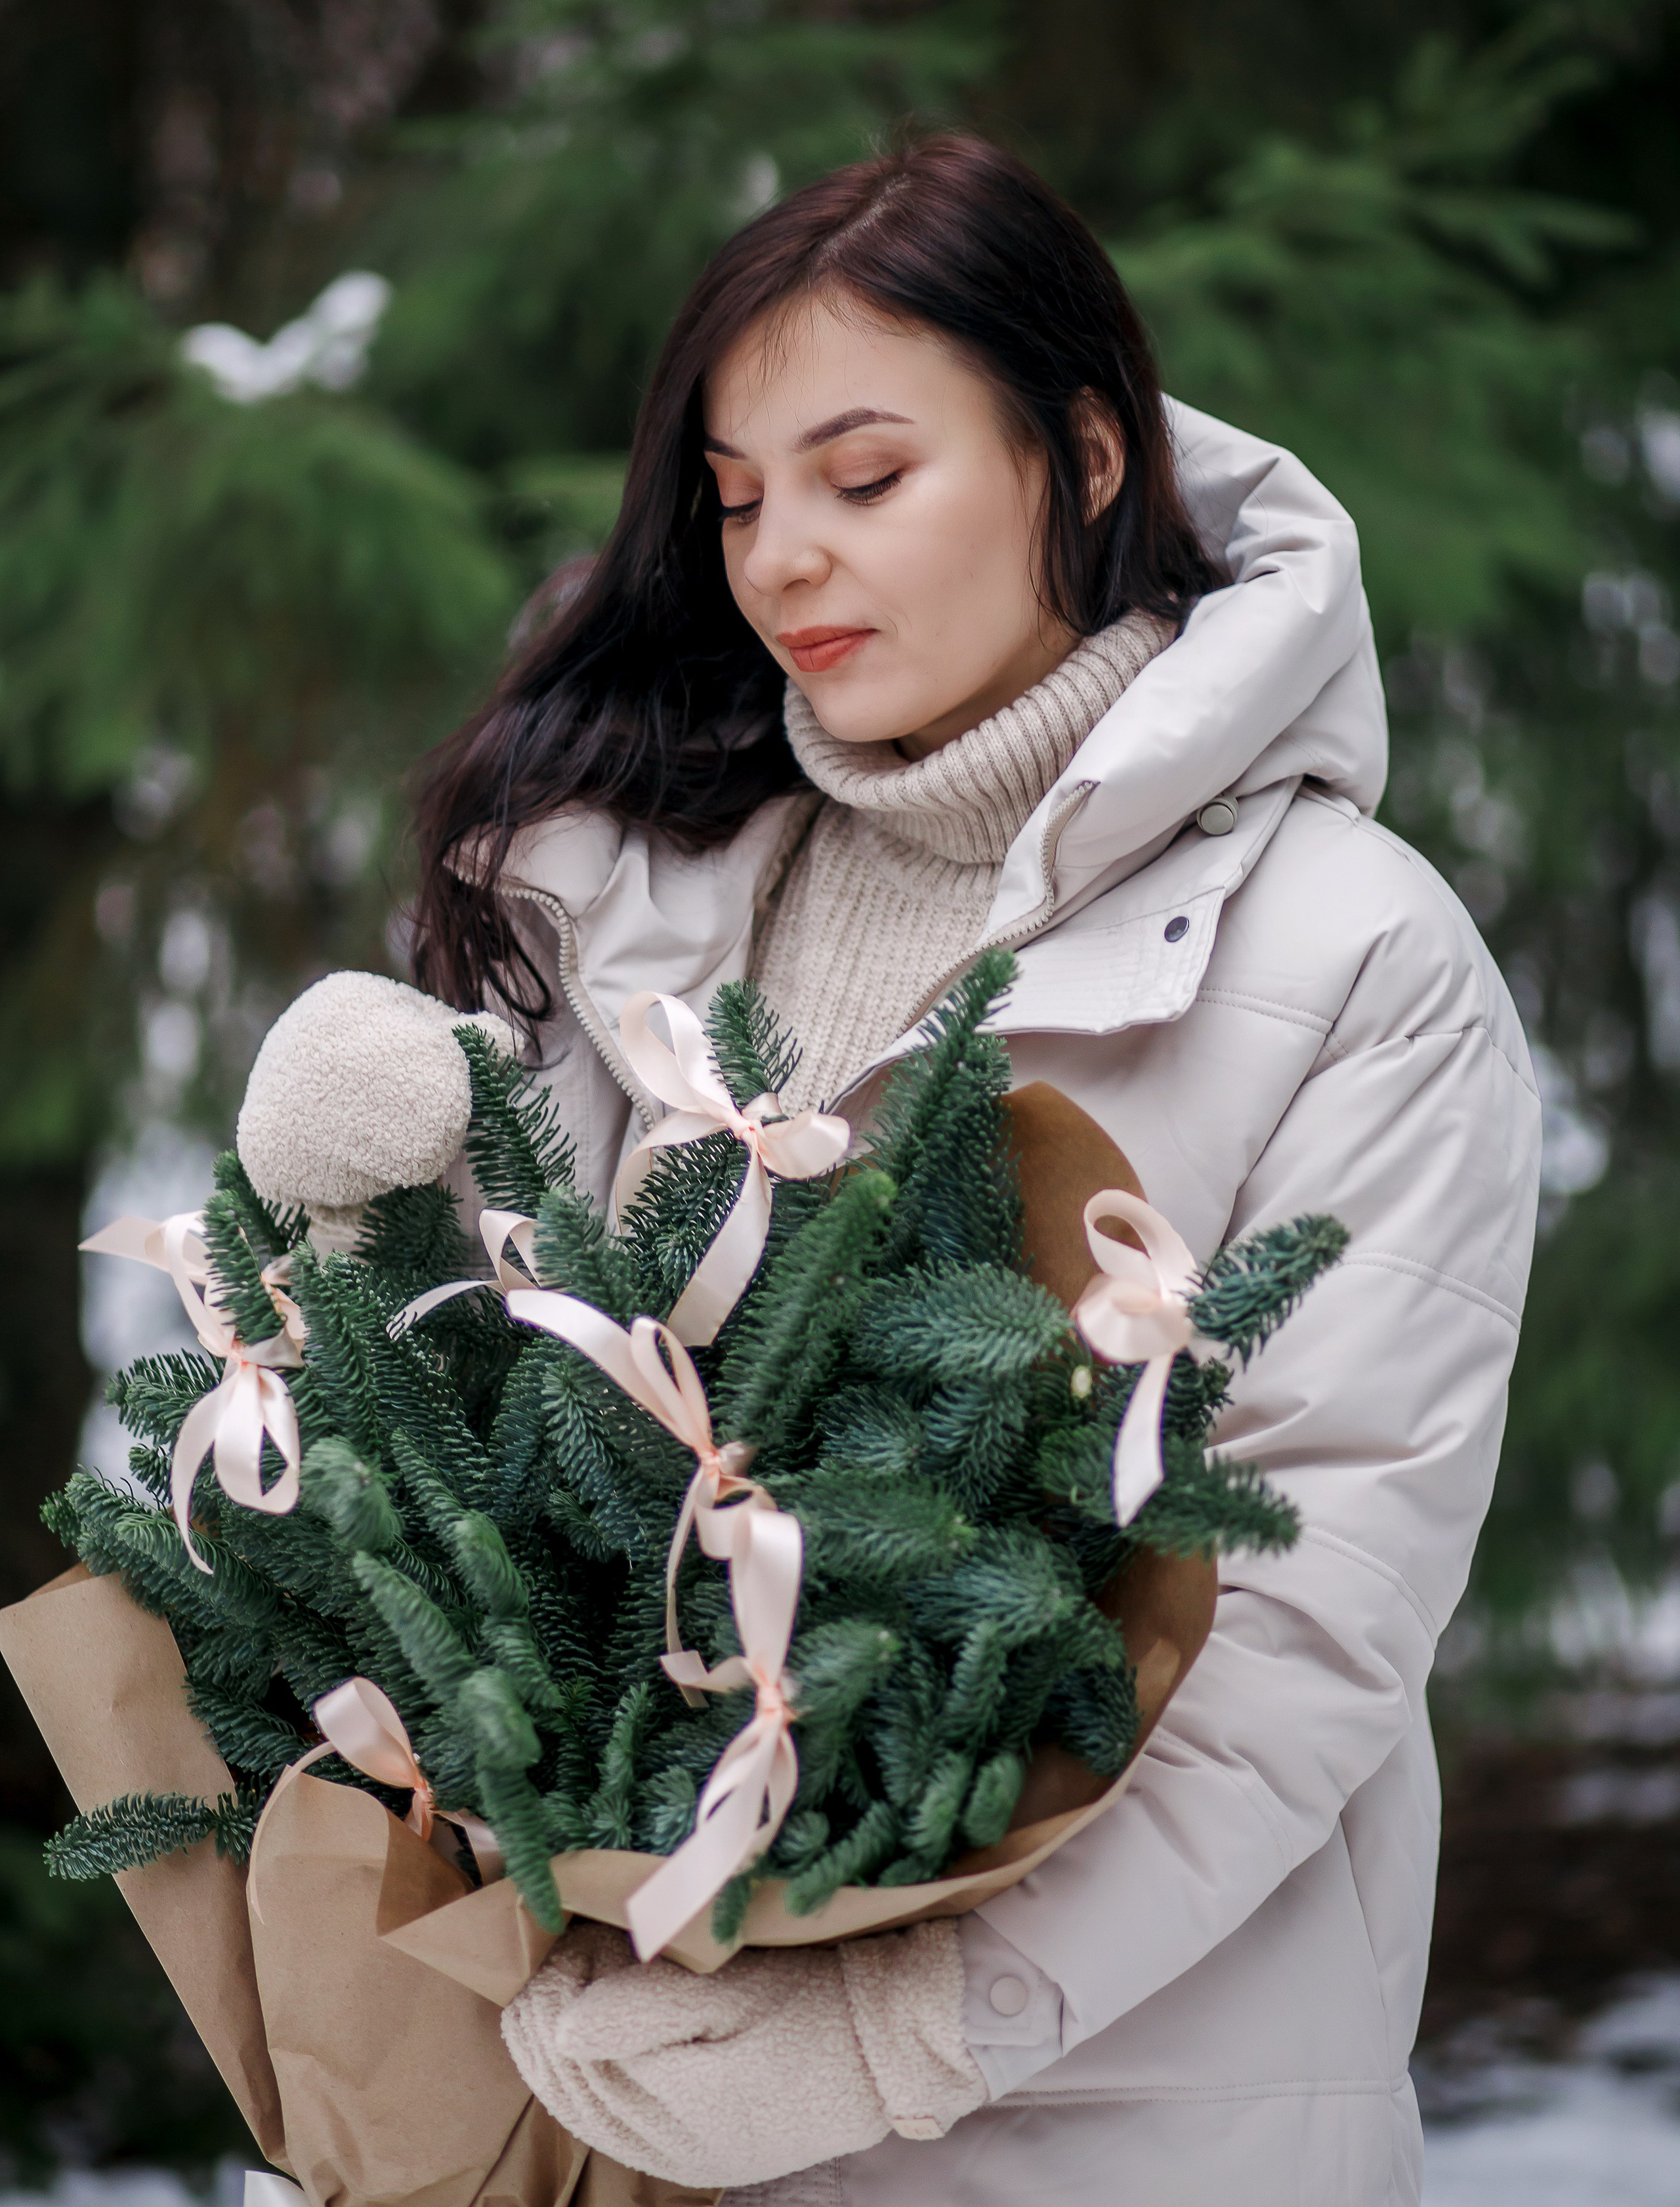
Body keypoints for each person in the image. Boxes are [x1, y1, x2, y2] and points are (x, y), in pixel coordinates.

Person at [411, 133, 1541, 2207]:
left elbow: (1313, 1606)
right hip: (617, 2097)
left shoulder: (1354, 957)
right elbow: (465, 1461)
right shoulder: (629, 905)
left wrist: (912, 2025)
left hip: (1119, 2129)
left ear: (1084, 460)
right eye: (738, 500)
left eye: (863, 479)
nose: (782, 560)